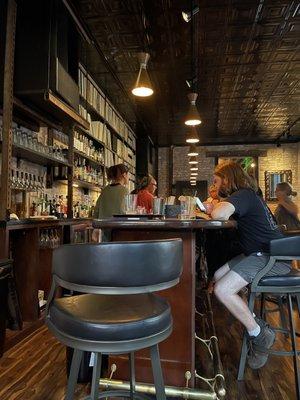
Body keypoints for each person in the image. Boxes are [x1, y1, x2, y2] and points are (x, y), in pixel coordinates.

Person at [210, 161, 291, 370]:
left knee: (222, 290)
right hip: (262, 254)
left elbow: (219, 215)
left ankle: (258, 334)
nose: (215, 186)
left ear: (227, 180)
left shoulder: (244, 194)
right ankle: (257, 323)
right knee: (219, 275)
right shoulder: (247, 196)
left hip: (272, 259)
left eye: (216, 182)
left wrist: (215, 206)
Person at [93, 164, 129, 241]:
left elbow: (96, 210)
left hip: (104, 231)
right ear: (124, 175)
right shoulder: (124, 190)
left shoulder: (105, 190)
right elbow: (127, 211)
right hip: (119, 230)